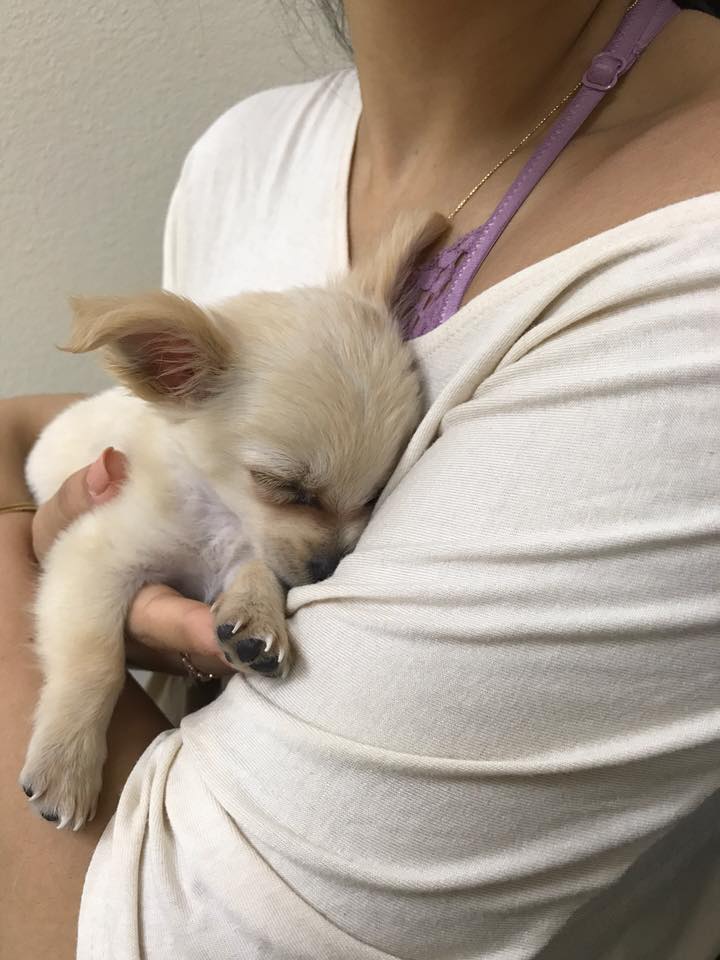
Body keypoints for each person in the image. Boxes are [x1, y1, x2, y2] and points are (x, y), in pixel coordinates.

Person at [2, 0, 719, 956]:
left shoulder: (685, 288)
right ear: (166, 368)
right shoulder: (245, 152)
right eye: (292, 489)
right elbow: (112, 486)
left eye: (375, 497)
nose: (343, 542)